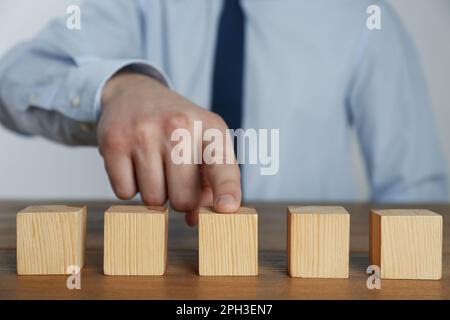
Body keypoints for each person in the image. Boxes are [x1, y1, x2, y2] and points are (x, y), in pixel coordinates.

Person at [0, 0, 447, 226]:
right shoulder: (140, 4)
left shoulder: (362, 15)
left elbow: (414, 187)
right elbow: (12, 80)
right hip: (161, 268)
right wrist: (118, 87)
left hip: (312, 269)